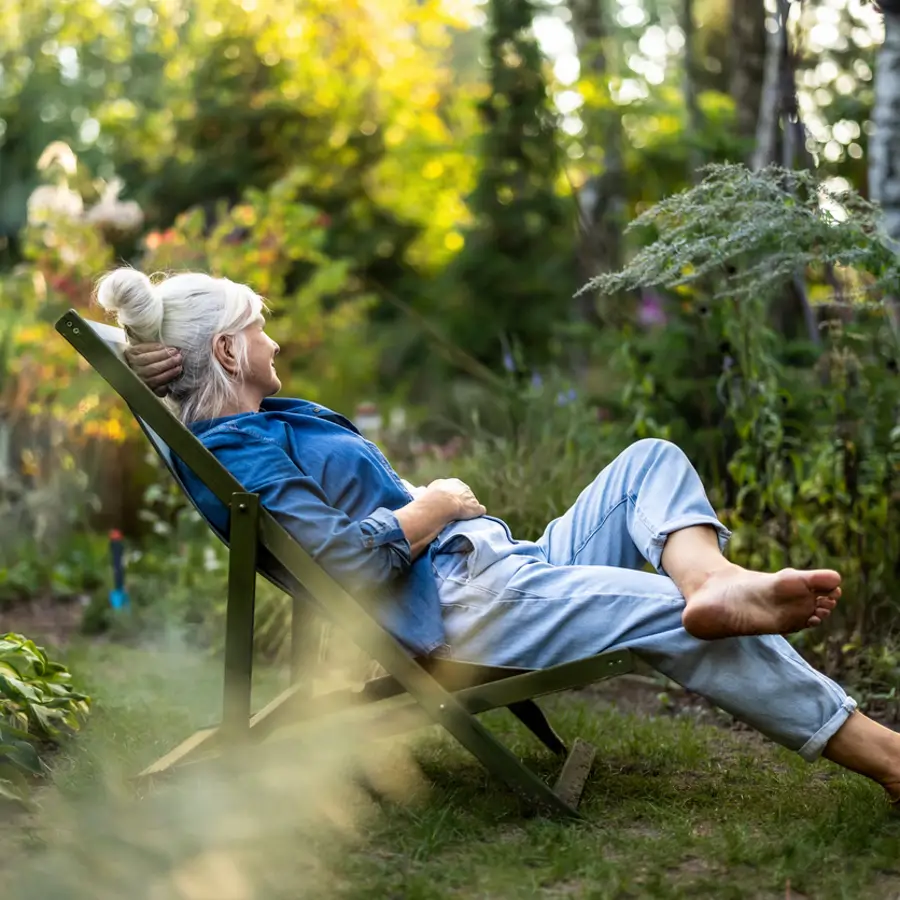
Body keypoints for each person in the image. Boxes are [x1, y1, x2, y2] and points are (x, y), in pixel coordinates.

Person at [97, 266, 900, 808]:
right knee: (658, 608)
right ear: (230, 350)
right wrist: (435, 503)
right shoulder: (240, 450)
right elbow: (344, 565)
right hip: (464, 601)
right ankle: (885, 756)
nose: (275, 339)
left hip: (497, 565)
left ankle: (713, 580)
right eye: (260, 327)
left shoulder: (254, 424)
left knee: (647, 461)